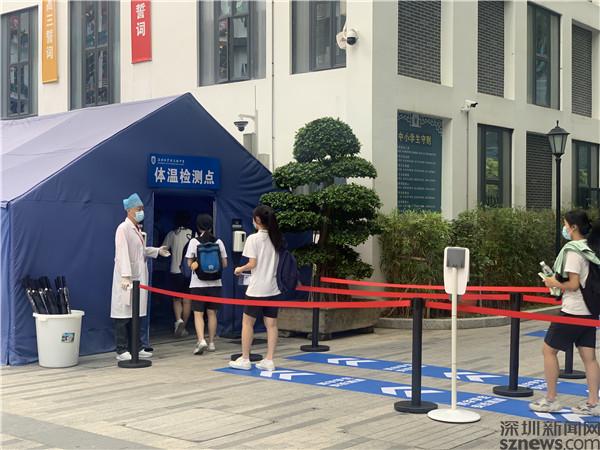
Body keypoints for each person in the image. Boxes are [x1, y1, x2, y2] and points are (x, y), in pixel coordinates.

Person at [530, 210, 600, 416]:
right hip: (590, 311)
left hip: (572, 312)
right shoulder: (591, 248)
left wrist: (553, 283)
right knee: (589, 357)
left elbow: (573, 284)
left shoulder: (573, 251)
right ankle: (593, 402)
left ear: (574, 227)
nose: (564, 229)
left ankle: (551, 399)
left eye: (566, 225)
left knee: (548, 350)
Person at [111, 193, 170, 361]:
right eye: (138, 209)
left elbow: (141, 251)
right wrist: (125, 276)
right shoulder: (123, 228)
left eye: (142, 209)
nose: (141, 212)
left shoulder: (137, 229)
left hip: (138, 278)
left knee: (135, 315)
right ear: (129, 210)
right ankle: (121, 350)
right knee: (123, 315)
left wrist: (157, 251)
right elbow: (122, 253)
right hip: (127, 278)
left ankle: (136, 347)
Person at [230, 205, 283, 371]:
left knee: (247, 323)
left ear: (257, 220)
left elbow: (252, 263)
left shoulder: (253, 239)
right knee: (271, 325)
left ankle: (245, 358)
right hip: (273, 288)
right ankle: (269, 360)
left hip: (256, 289)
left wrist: (239, 269)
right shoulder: (276, 238)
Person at [186, 214, 227, 355]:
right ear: (211, 226)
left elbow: (189, 263)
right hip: (215, 283)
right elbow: (225, 264)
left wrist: (197, 263)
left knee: (198, 314)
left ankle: (201, 340)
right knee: (212, 313)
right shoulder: (219, 242)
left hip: (198, 284)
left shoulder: (194, 242)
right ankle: (212, 343)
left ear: (198, 227)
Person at [162, 211, 193, 337]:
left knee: (176, 299)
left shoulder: (171, 234)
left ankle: (178, 320)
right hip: (188, 272)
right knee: (187, 300)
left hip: (174, 270)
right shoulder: (192, 233)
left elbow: (163, 249)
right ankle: (183, 326)